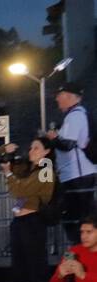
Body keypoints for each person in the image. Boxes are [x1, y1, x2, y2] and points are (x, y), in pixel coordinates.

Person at [45, 83, 96, 243]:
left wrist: (53, 138)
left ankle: (81, 256)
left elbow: (68, 145)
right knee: (75, 219)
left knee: (76, 220)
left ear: (69, 96)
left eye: (59, 95)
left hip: (78, 175)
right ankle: (79, 255)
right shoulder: (76, 115)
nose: (57, 99)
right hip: (77, 175)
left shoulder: (75, 116)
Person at [3, 138, 57, 282]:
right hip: (19, 221)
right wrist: (6, 150)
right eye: (31, 148)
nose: (31, 151)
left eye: (36, 148)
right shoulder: (28, 169)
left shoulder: (45, 170)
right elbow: (1, 159)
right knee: (19, 264)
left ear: (47, 151)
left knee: (35, 263)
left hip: (33, 221)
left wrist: (8, 174)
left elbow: (22, 190)